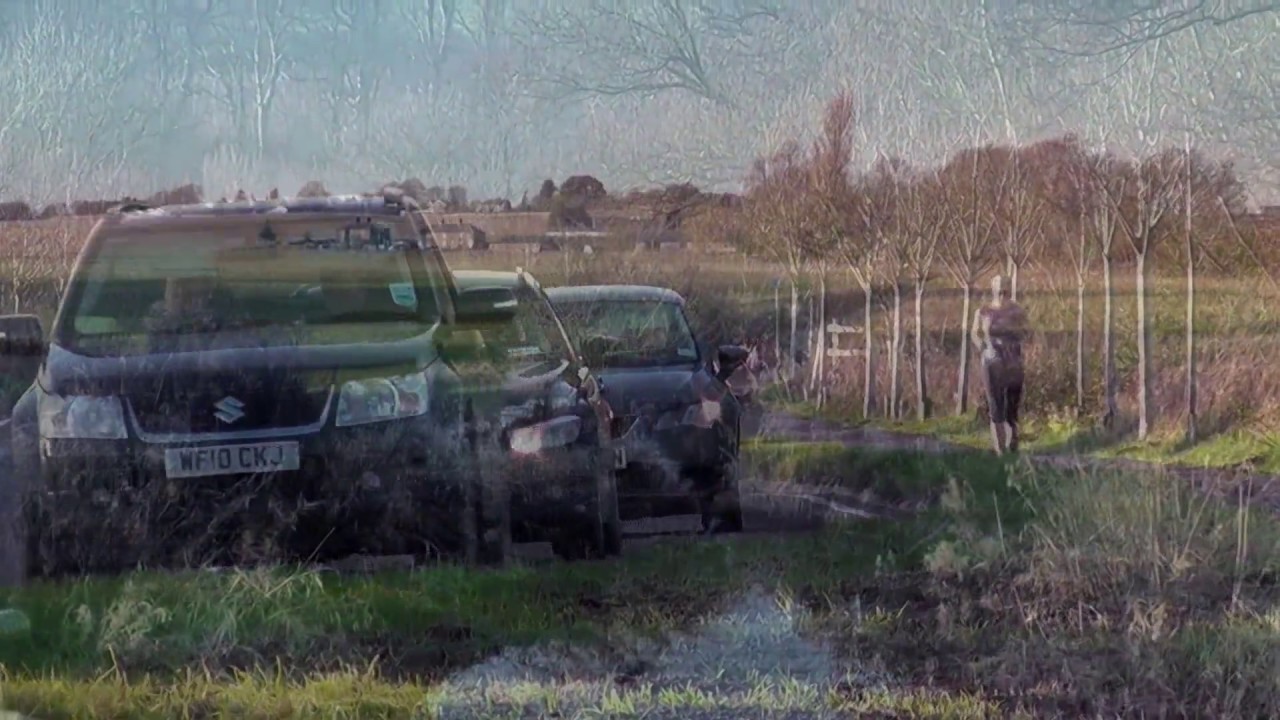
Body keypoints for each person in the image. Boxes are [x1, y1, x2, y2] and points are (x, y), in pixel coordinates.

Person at [971, 275, 1028, 455]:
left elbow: (1026, 331)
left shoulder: (1017, 311)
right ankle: (1000, 452)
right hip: (992, 361)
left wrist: (1016, 337)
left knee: (1012, 404)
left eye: (1005, 289)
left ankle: (1013, 442)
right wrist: (984, 348)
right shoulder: (983, 311)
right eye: (999, 289)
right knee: (995, 404)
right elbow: (974, 333)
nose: (1002, 293)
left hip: (1013, 361)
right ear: (993, 289)